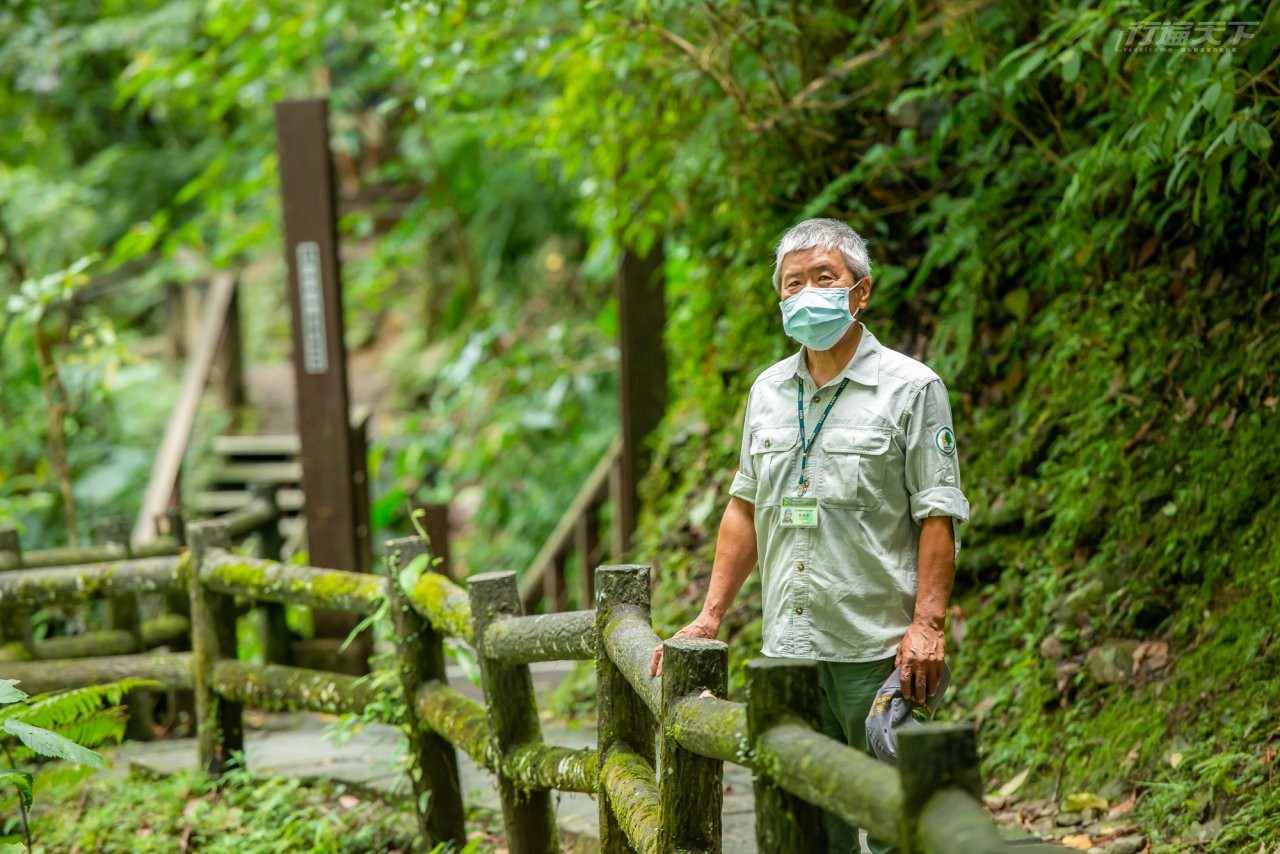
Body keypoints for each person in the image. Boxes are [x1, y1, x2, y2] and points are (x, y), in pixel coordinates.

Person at [649, 218, 969, 854]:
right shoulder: (767, 390)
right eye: (792, 283)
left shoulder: (912, 388)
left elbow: (938, 512)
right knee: (802, 830)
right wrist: (710, 616)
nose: (807, 292)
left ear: (861, 291)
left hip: (877, 651)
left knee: (894, 827)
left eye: (825, 277)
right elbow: (744, 507)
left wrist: (927, 626)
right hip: (789, 653)